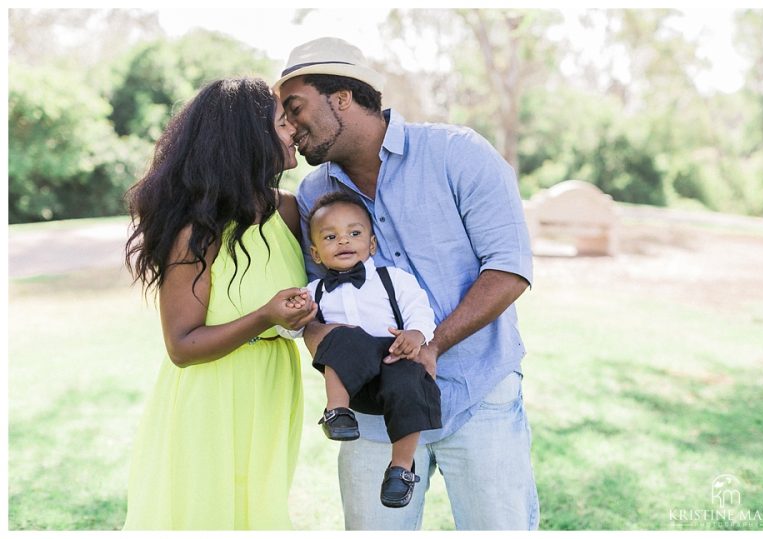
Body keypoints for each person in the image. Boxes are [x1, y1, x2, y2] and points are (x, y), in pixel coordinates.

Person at [275, 37, 540, 530]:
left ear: (341, 98)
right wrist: (329, 347)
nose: (288, 127)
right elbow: (321, 302)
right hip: (373, 414)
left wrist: (432, 345)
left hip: (478, 394)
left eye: (295, 108)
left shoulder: (457, 154)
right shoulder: (313, 194)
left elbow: (508, 268)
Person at [122, 77, 317, 530]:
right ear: (248, 136)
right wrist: (265, 316)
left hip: (270, 389)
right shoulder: (198, 231)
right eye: (281, 120)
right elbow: (182, 345)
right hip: (210, 398)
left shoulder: (289, 211)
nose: (292, 128)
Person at [301, 191, 440, 508]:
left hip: (394, 360)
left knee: (409, 376)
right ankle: (338, 412)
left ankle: (401, 468)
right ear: (316, 253)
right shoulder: (315, 292)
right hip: (352, 383)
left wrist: (416, 335)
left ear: (372, 244)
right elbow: (293, 327)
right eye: (331, 237)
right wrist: (294, 316)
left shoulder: (392, 278)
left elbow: (419, 309)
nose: (344, 241)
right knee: (341, 337)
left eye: (354, 233)